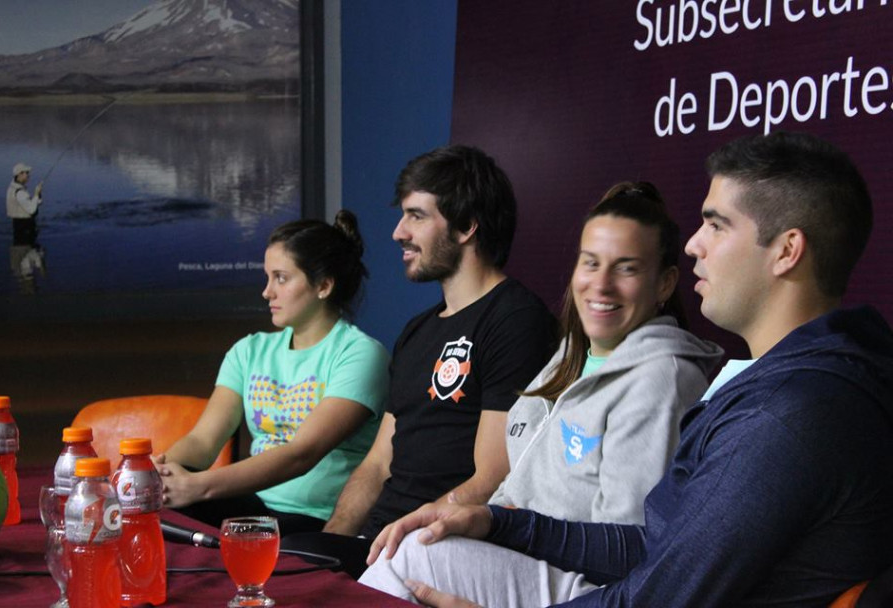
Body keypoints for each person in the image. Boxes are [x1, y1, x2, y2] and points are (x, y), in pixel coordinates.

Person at [360, 131, 893, 607]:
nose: (693, 245)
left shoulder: (789, 415)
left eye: (715, 225)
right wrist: (501, 522)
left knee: (416, 560)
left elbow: (657, 596)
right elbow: (656, 547)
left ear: (786, 252)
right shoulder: (783, 385)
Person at [296, 145, 556, 576]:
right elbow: (378, 463)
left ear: (467, 226)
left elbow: (492, 477)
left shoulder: (516, 320)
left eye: (416, 216)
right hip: (382, 544)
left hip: (437, 547)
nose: (398, 232)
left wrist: (401, 543)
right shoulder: (417, 330)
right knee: (290, 560)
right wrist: (333, 545)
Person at [488, 181, 723, 523]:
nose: (601, 284)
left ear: (665, 284)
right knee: (409, 546)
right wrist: (481, 522)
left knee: (414, 553)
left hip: (575, 573)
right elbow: (516, 486)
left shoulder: (661, 378)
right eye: (591, 263)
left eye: (626, 268)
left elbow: (622, 542)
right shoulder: (568, 356)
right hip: (517, 545)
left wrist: (504, 530)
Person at [156, 210, 390, 533]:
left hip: (320, 520)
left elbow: (301, 454)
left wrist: (199, 486)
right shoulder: (248, 351)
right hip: (256, 507)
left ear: (323, 286)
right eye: (268, 278)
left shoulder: (360, 355)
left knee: (189, 503)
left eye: (281, 278)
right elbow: (203, 440)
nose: (267, 291)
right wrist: (161, 470)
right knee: (158, 512)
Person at [6, 162, 44, 246]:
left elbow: (34, 203)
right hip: (25, 229)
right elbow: (32, 210)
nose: (28, 175)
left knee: (20, 252)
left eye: (28, 173)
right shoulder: (20, 192)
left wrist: (38, 194)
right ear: (19, 175)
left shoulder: (13, 188)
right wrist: (36, 194)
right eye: (26, 173)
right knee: (27, 253)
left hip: (19, 228)